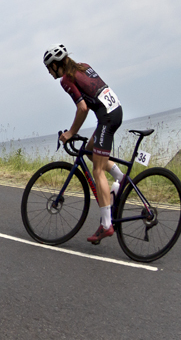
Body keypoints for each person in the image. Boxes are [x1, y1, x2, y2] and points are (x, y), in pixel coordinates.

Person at [44, 44, 126, 244]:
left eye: (49, 67)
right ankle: (120, 179)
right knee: (90, 151)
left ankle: (106, 225)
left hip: (107, 118)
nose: (48, 72)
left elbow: (82, 108)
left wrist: (71, 133)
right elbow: (91, 101)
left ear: (56, 65)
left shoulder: (66, 79)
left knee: (97, 170)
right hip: (115, 111)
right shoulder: (84, 66)